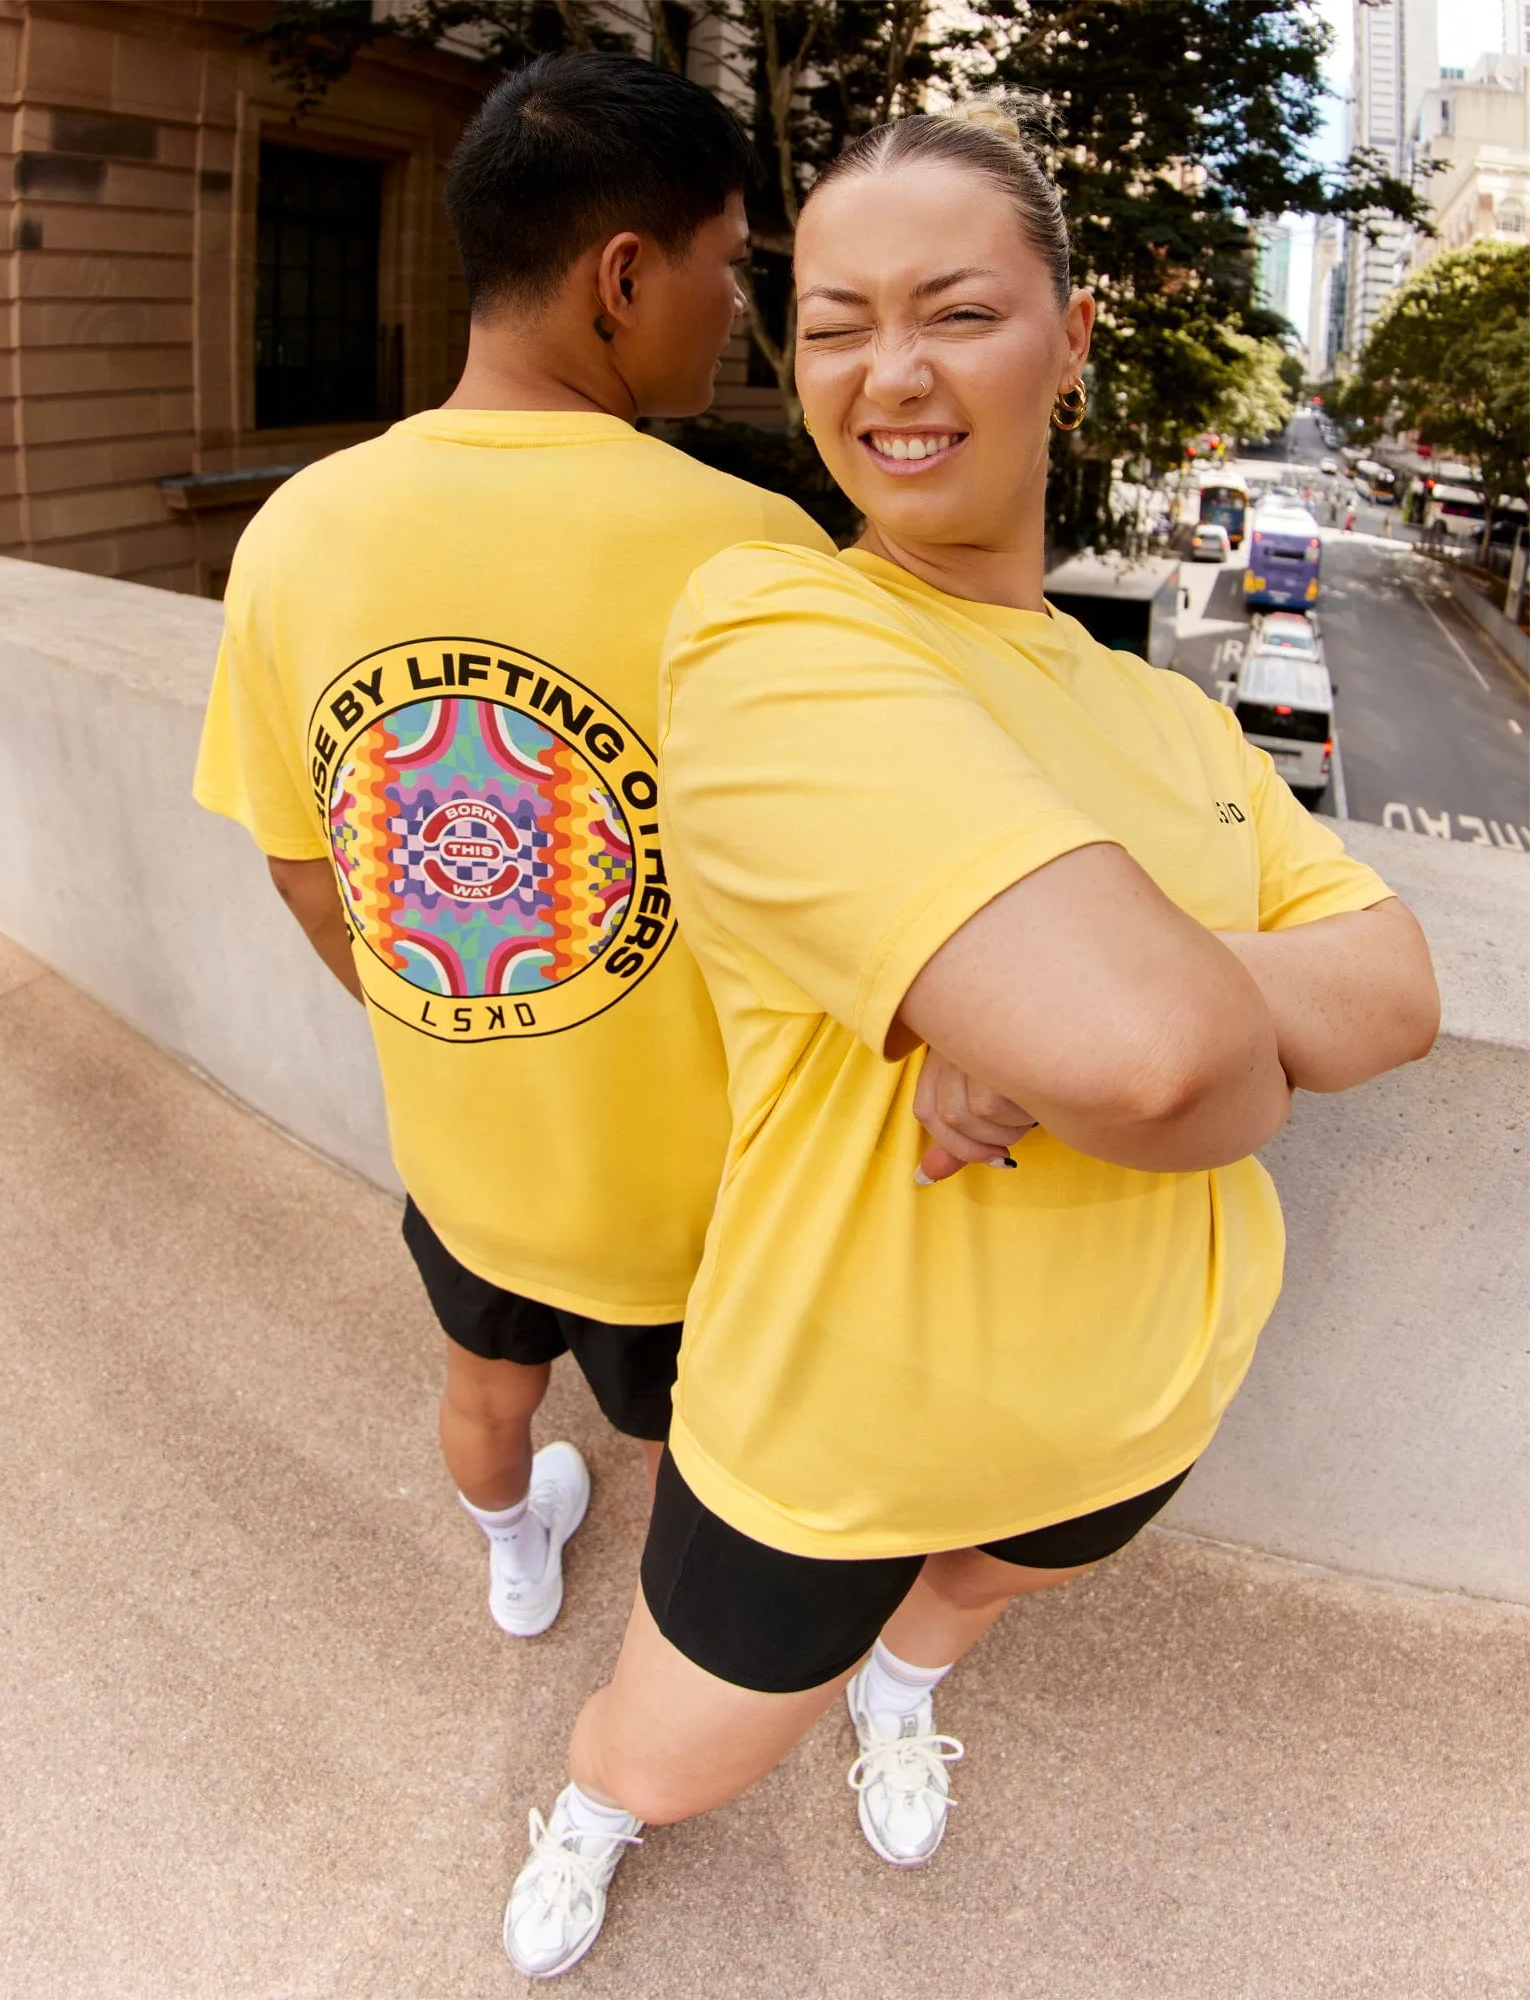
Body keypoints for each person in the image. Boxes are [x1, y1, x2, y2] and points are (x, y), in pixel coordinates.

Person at [502, 99, 1439, 1978]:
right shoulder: (771, 627)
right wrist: (1140, 1008)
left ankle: (905, 1685)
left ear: (1073, 336)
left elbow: (1397, 993)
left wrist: (1061, 1018)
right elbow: (1171, 1075)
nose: (890, 373)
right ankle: (590, 1809)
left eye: (957, 310)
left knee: (976, 1596)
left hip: (1135, 1393)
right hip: (830, 1417)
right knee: (673, 1743)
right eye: (835, 321)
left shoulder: (1165, 719)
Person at [195, 54, 829, 1645]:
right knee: (705, 1450)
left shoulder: (295, 531)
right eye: (727, 267)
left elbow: (303, 863)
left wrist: (448, 1024)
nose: (731, 310)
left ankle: (510, 1549)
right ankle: (692, 1657)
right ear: (624, 276)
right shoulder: (750, 553)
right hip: (688, 1205)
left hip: (462, 1155)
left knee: (486, 1391)